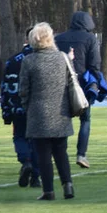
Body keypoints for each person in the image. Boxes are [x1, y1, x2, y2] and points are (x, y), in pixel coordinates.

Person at [19, 23, 76, 201]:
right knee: (61, 152)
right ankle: (67, 185)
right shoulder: (62, 58)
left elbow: (24, 90)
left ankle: (48, 191)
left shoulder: (29, 61)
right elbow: (71, 83)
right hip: (61, 112)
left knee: (43, 154)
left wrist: (27, 107)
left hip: (38, 113)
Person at [54, 10, 100, 169]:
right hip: (81, 85)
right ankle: (81, 154)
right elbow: (94, 64)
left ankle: (61, 153)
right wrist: (97, 83)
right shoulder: (89, 39)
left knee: (63, 119)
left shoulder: (58, 38)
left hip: (61, 84)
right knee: (85, 119)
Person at [1, 29, 38, 188]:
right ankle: (36, 176)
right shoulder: (44, 59)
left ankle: (26, 160)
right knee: (38, 142)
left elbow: (5, 88)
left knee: (20, 137)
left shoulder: (13, 61)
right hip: (38, 109)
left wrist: (6, 111)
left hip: (18, 108)